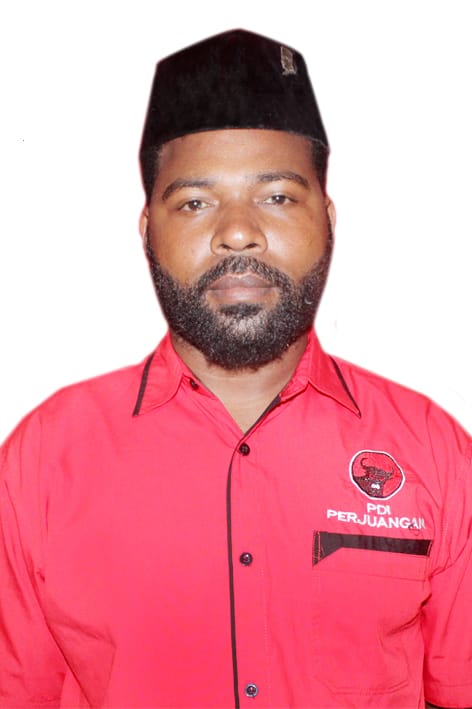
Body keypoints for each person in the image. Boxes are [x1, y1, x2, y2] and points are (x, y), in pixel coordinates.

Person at [0, 28, 470, 709]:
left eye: (277, 195)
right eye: (195, 202)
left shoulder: (436, 451)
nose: (239, 231)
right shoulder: (42, 461)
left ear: (327, 218)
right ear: (147, 229)